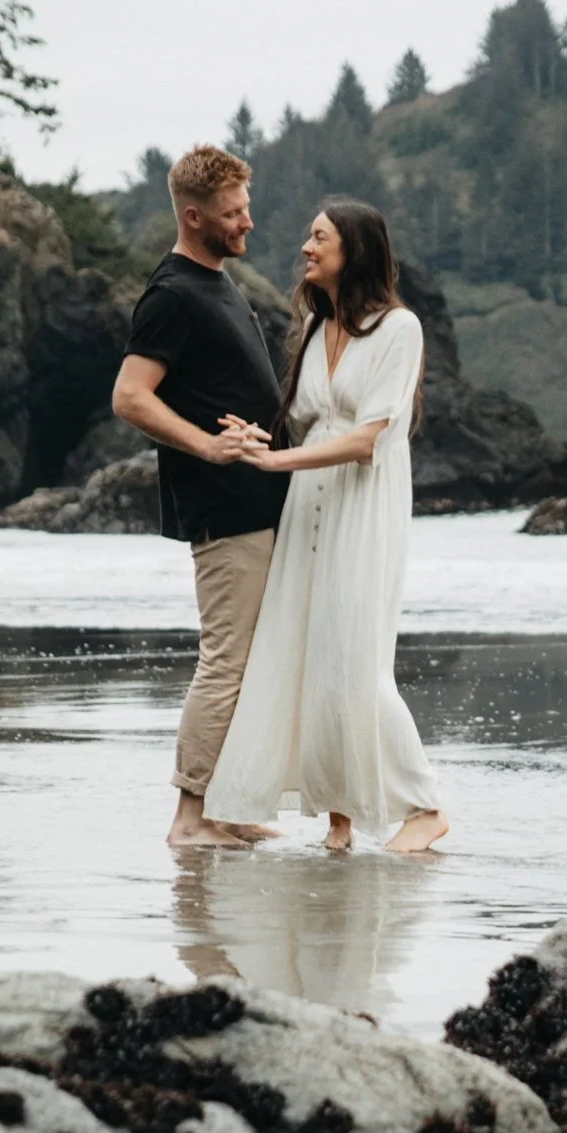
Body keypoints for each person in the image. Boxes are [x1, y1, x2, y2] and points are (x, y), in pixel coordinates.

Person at [203, 197, 448, 854]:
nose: (305, 249)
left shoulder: (401, 329)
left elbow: (368, 438)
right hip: (310, 499)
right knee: (311, 652)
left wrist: (278, 460)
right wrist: (259, 440)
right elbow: (308, 422)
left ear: (355, 250)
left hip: (365, 501)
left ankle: (424, 804)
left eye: (319, 238)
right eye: (309, 238)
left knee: (354, 658)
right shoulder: (314, 326)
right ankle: (337, 817)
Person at [111, 144, 281, 849]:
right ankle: (189, 818)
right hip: (224, 507)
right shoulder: (173, 294)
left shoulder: (217, 281)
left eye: (245, 207)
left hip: (259, 502)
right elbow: (129, 396)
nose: (247, 222)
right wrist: (209, 446)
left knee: (251, 661)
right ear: (194, 216)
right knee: (227, 660)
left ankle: (228, 805)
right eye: (233, 213)